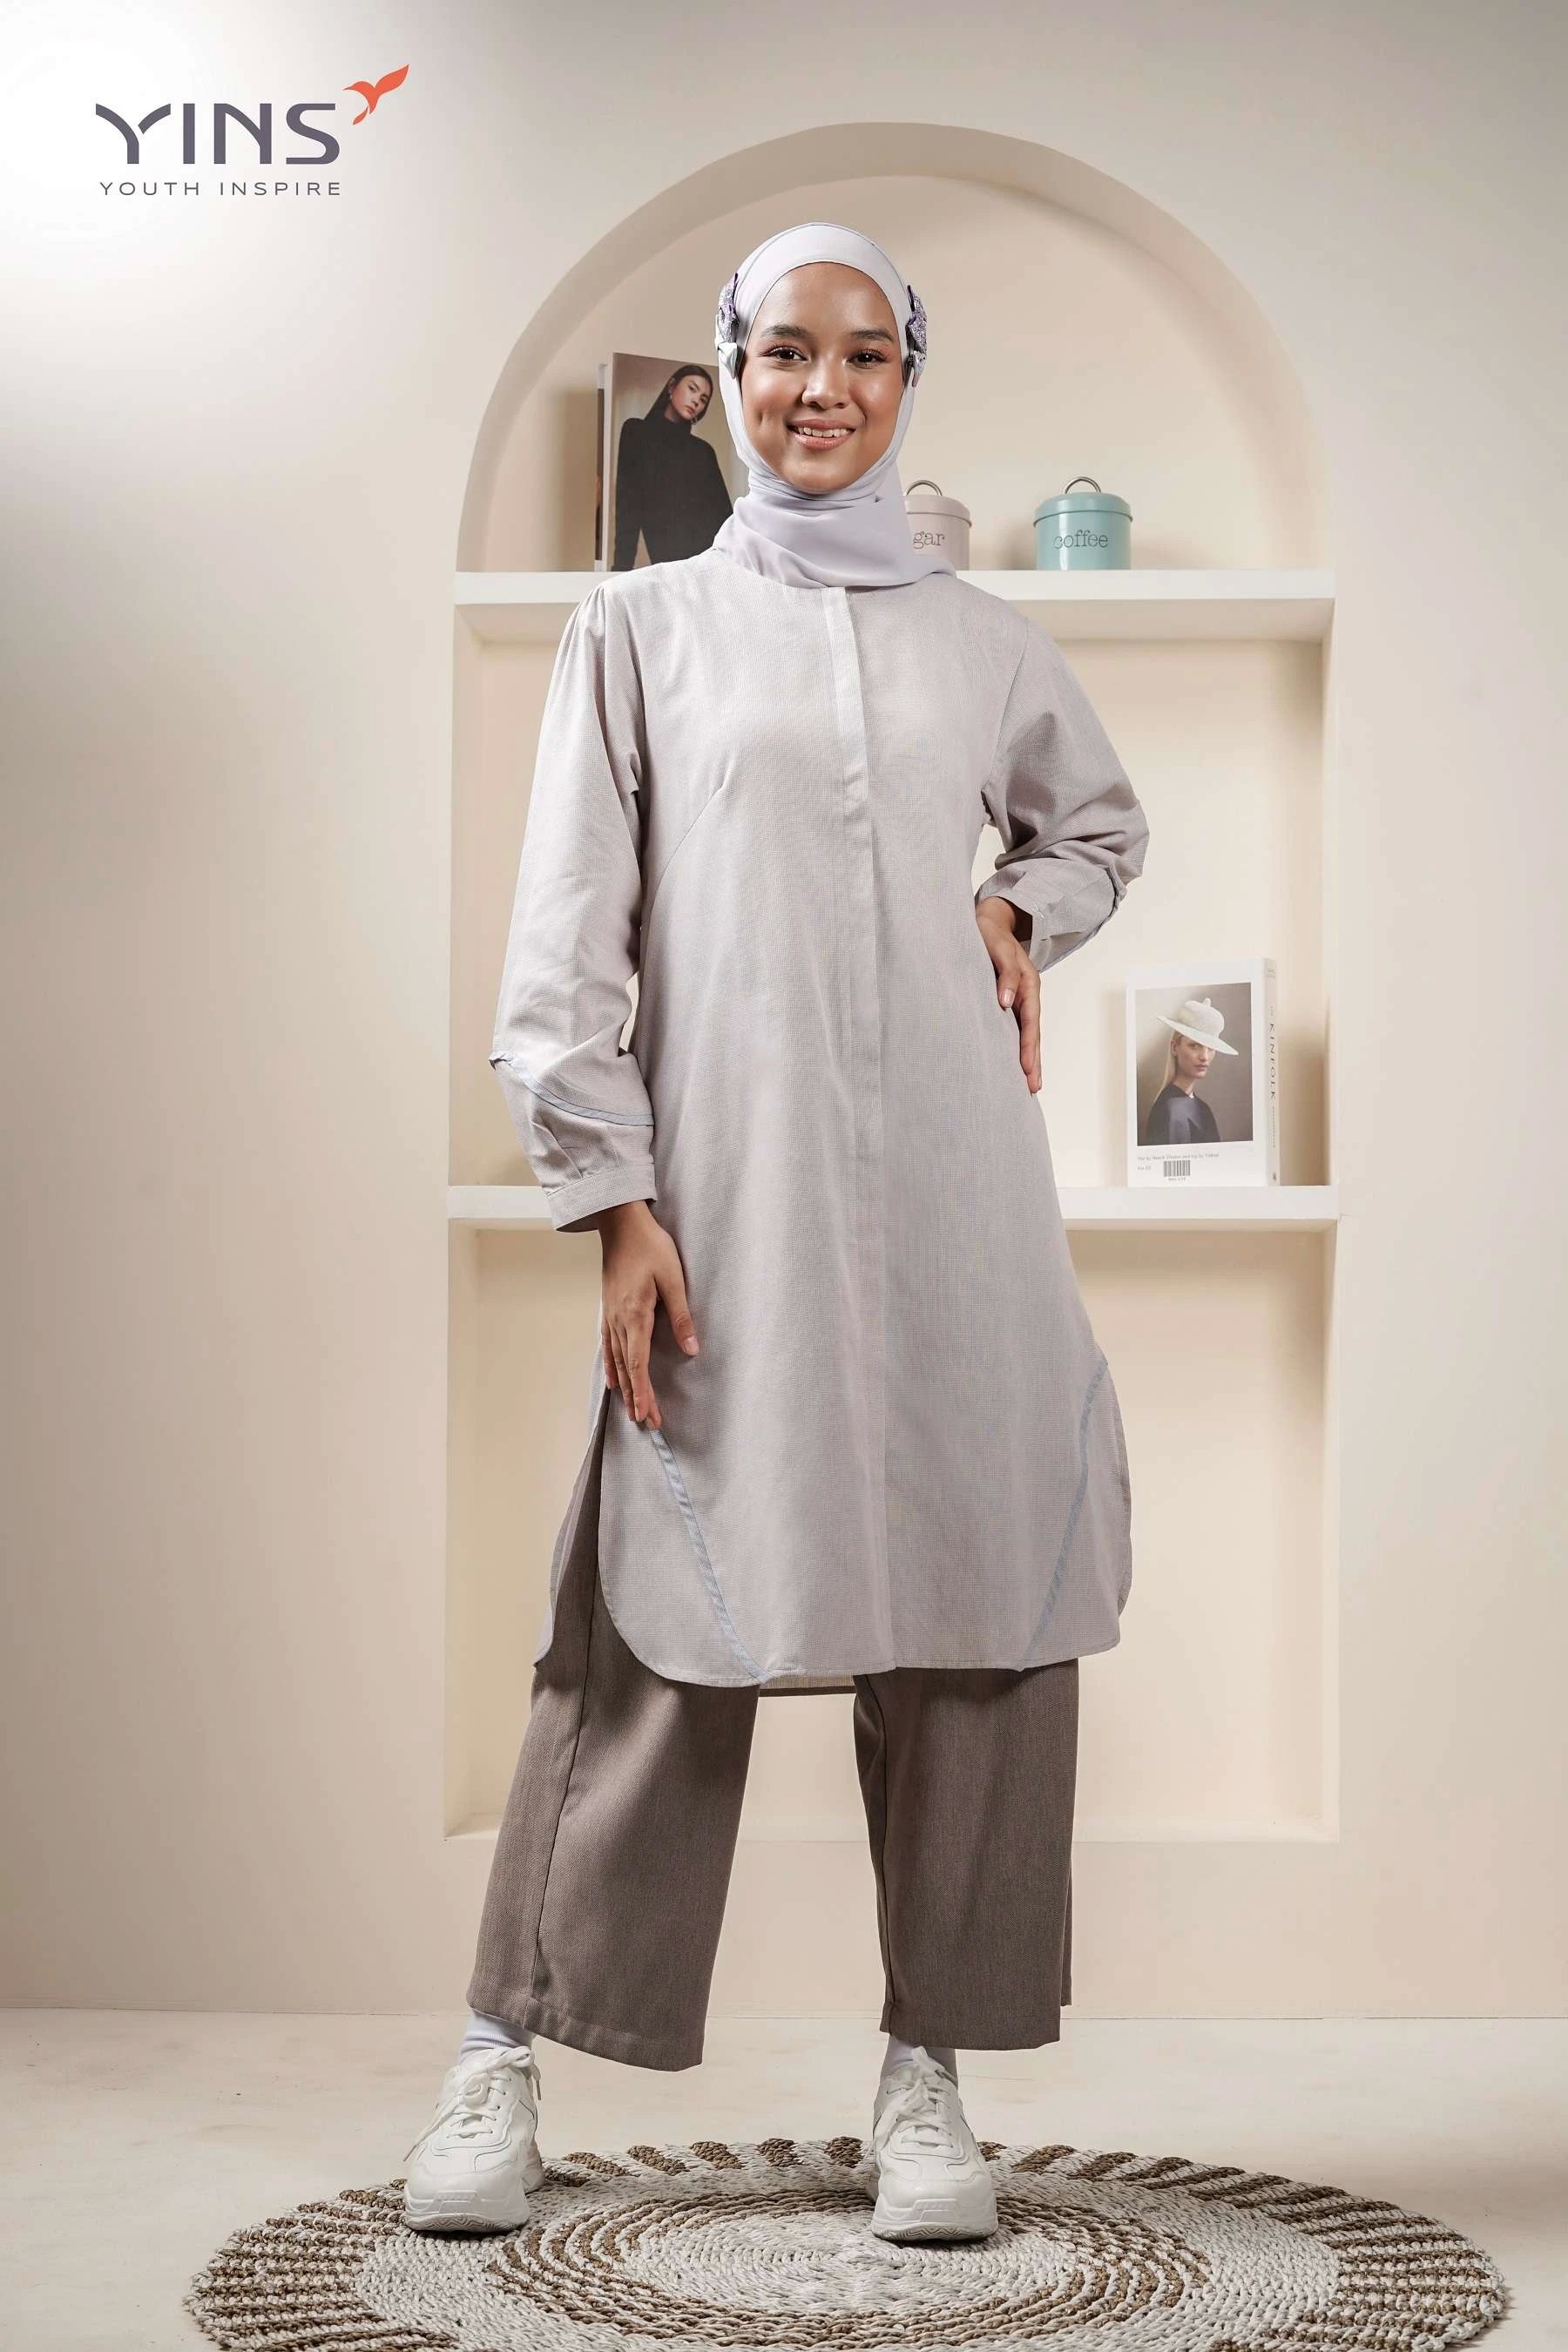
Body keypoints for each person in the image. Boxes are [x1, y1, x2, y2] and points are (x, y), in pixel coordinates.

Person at [401, 221, 1150, 2247]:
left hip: (958, 1211)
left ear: (908, 377)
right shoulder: (639, 627)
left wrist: (1019, 908)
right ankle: (502, 2050)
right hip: (725, 1193)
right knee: (653, 1614)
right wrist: (611, 1196)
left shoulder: (984, 642)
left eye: (865, 355)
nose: (824, 389)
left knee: (977, 1617)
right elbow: (567, 936)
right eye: (785, 352)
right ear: (729, 370)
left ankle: (930, 2070)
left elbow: (1094, 827)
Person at [611, 364, 733, 567]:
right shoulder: (636, 432)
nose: (696, 400)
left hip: (710, 564)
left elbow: (725, 520)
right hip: (671, 567)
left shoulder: (703, 452)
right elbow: (627, 509)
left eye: (703, 399)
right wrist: (620, 571)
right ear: (671, 386)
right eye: (692, 389)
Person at [1143, 995, 1236, 1146]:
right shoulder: (1170, 1109)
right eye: (1194, 1046)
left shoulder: (1203, 1108)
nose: (1204, 1057)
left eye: (1210, 1048)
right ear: (1174, 1048)